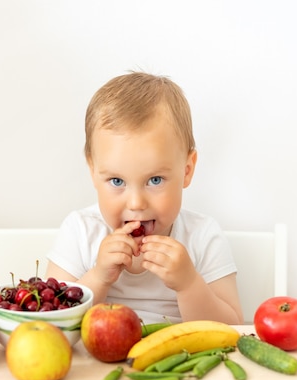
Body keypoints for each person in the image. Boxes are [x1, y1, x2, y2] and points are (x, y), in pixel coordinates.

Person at [45, 72, 243, 325]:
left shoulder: (202, 236)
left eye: (155, 180)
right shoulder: (81, 231)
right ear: (93, 172)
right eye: (117, 181)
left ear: (186, 170)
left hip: (179, 360)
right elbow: (53, 324)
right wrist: (99, 277)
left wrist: (189, 284)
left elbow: (233, 327)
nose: (136, 203)